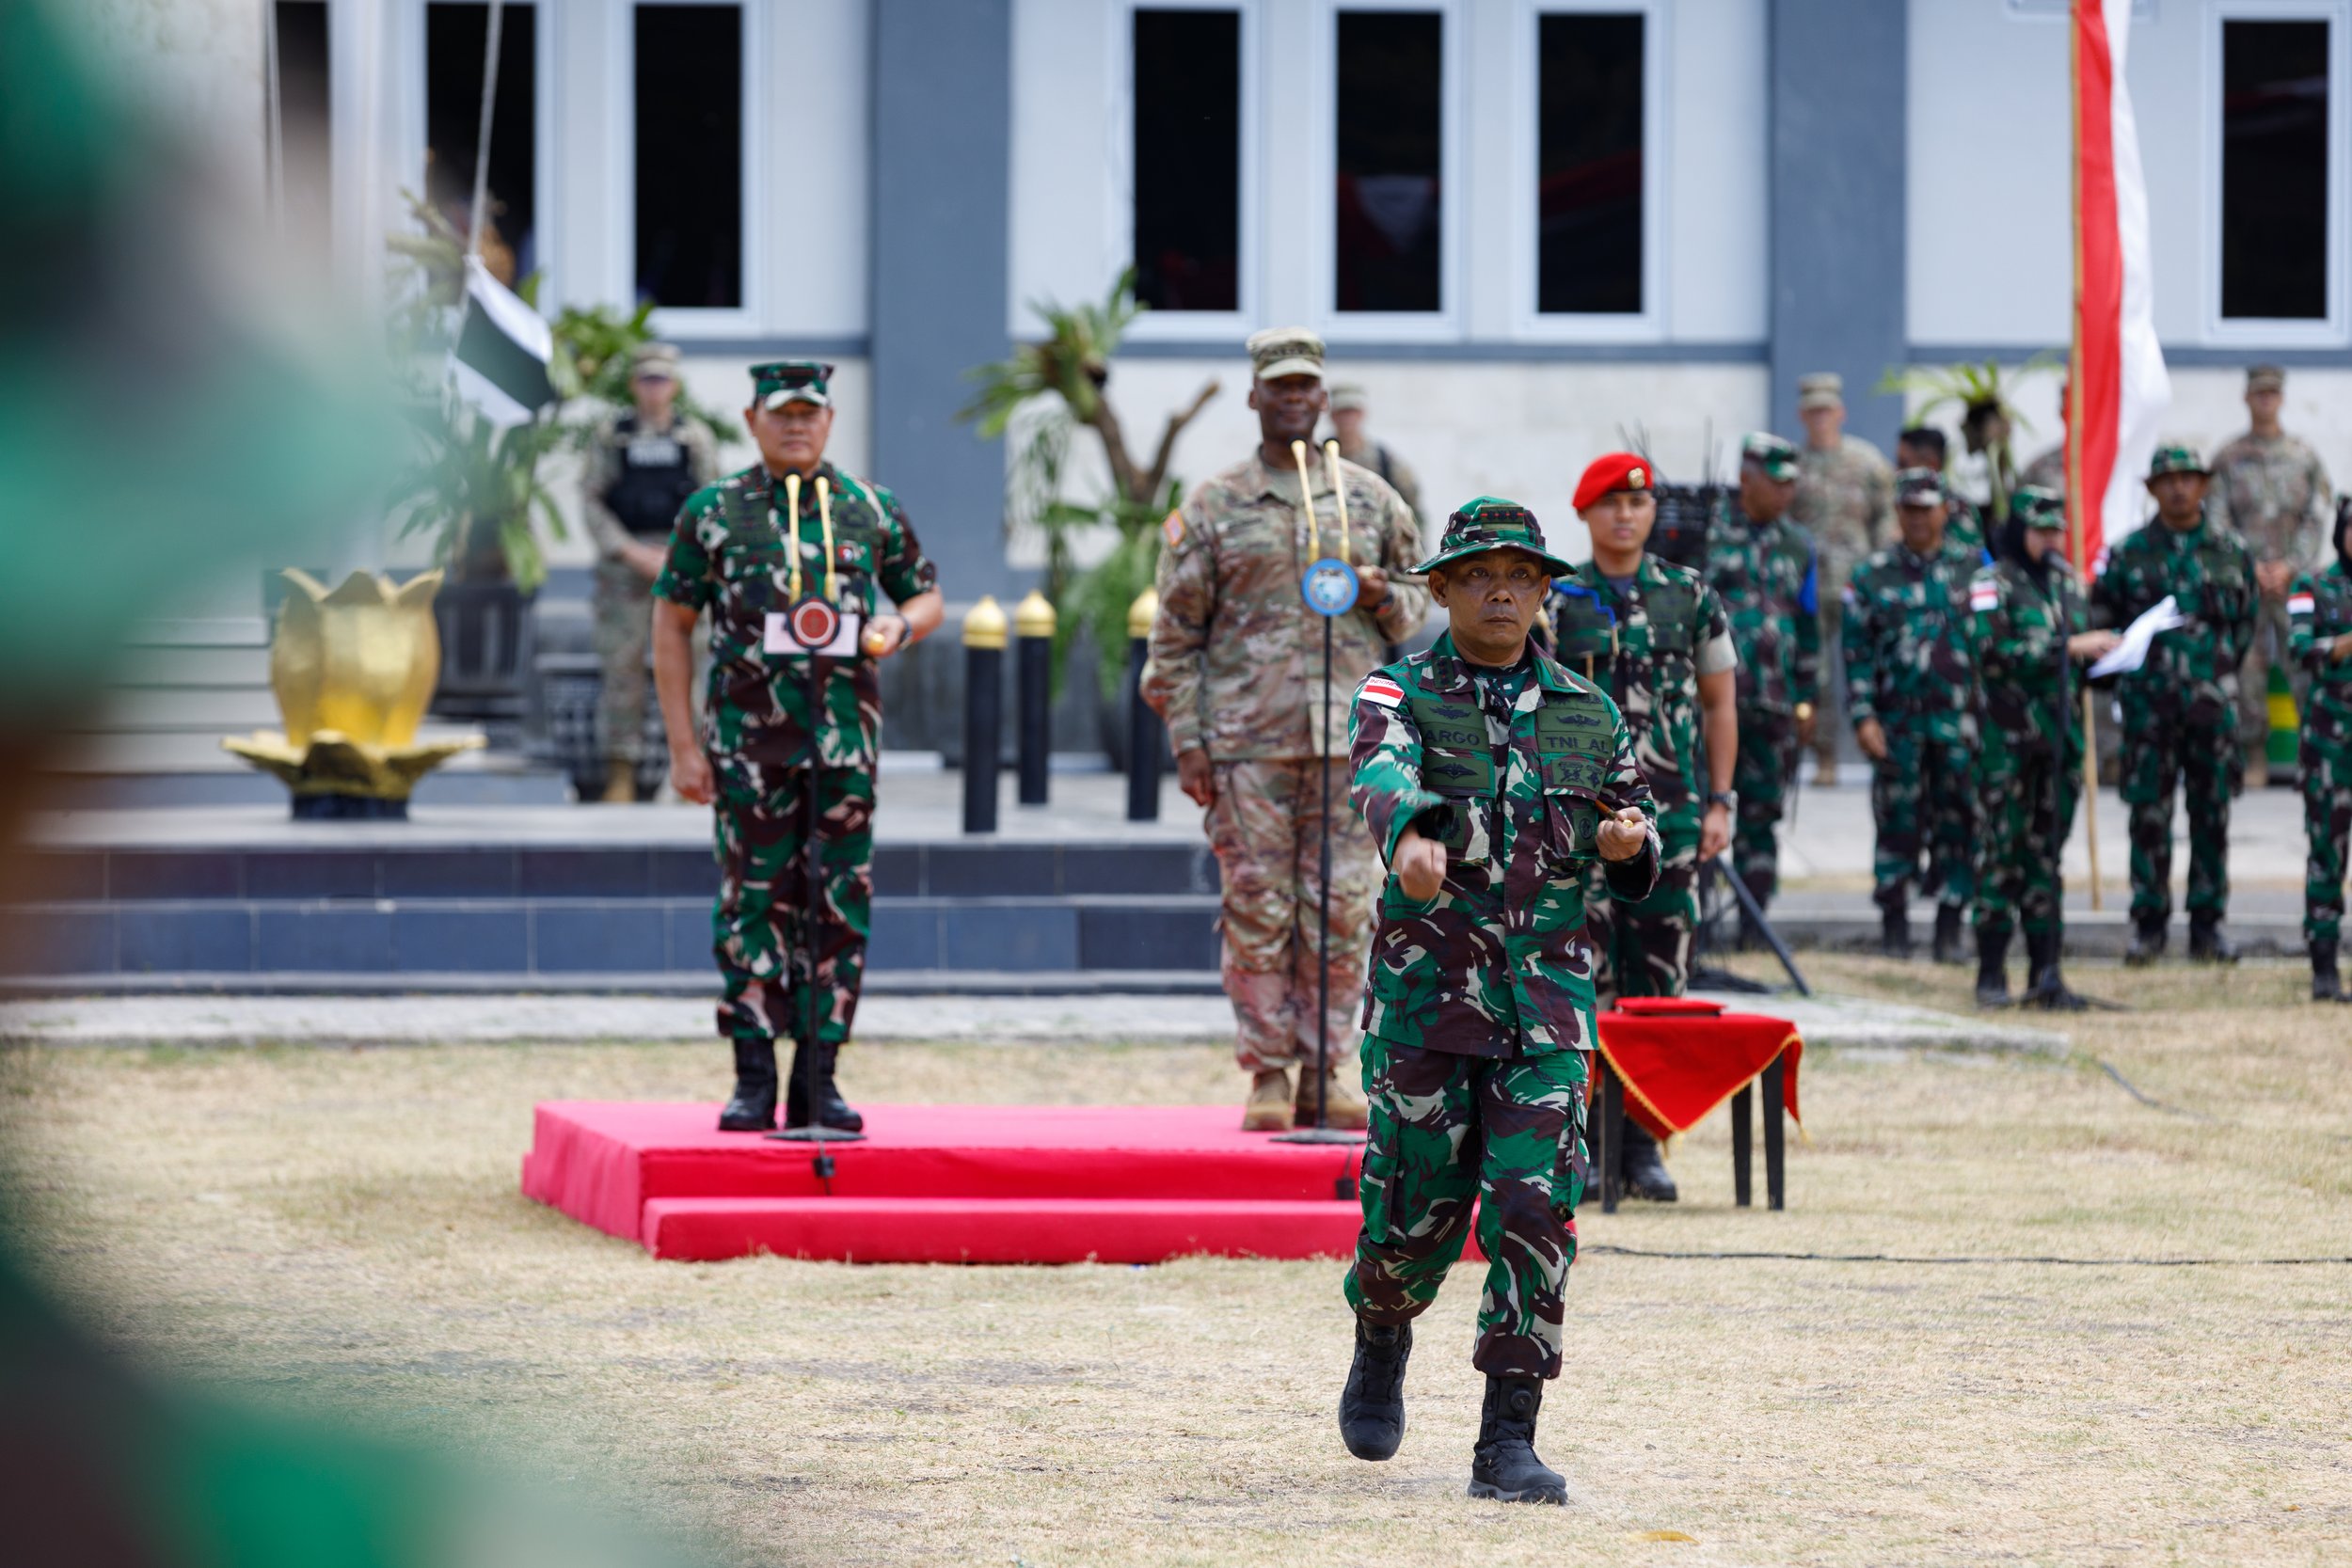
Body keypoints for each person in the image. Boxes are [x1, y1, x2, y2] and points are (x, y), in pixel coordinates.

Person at [1335, 498, 1659, 1507]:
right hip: (1429, 1007)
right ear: (1439, 586)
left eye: (1521, 573)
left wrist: (1625, 847)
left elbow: (1634, 826)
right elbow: (1384, 773)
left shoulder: (1586, 710)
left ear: (1545, 587)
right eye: (1478, 574)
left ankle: (1506, 1437)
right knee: (1410, 1224)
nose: (1503, 590)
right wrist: (1418, 837)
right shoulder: (1398, 690)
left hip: (1547, 1013)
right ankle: (1382, 1332)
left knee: (1534, 1210)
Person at [1145, 328, 1430, 1132]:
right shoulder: (1215, 505)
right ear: (1254, 397)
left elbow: (1417, 604)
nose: (1295, 399)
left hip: (1352, 742)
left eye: (1307, 386)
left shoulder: (1372, 500)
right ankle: (1269, 1071)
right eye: (1280, 387)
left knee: (1341, 909)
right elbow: (1174, 638)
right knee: (1259, 906)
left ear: (1323, 396)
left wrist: (1379, 591)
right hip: (1248, 745)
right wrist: (1190, 740)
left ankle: (1327, 1066)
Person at [651, 361, 945, 1132]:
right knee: (750, 901)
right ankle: (753, 1079)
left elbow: (924, 590)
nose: (796, 425)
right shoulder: (713, 512)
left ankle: (820, 1078)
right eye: (781, 412)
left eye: (810, 413)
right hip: (748, 747)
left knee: (836, 904)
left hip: (843, 744)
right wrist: (684, 747)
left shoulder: (868, 508)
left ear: (830, 419)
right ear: (751, 419)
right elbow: (671, 624)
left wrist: (899, 626)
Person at [1548, 452, 1737, 1202]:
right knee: (1581, 976)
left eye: (1639, 504)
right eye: (1611, 505)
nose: (1627, 516)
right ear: (1587, 514)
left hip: (1672, 815)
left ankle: (1647, 1144)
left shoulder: (1688, 595)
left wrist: (1720, 800)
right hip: (1577, 816)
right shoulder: (1556, 598)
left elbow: (1720, 702)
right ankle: (1585, 1144)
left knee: (1658, 978)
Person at [2091, 443, 2258, 966]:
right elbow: (2104, 623)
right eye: (2168, 480)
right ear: (2150, 489)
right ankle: (2149, 925)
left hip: (2210, 709)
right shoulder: (2128, 554)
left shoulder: (2230, 550)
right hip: (2149, 711)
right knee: (2149, 817)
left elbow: (2245, 624)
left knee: (2211, 816)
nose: (2179, 488)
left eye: (2189, 478)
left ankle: (2208, 926)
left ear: (2204, 485)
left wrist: (2215, 671)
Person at [1967, 486, 2120, 1007]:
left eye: (2058, 529)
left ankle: (2045, 970)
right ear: (2019, 530)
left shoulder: (2068, 584)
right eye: (2041, 530)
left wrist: (2109, 659)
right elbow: (1988, 650)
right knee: (2001, 855)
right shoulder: (1991, 583)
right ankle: (1990, 972)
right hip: (2005, 742)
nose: (2052, 539)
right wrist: (2066, 647)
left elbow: (2080, 658)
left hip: (2059, 742)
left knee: (2045, 856)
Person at [1843, 468, 1981, 962]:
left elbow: (1990, 646)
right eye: (1910, 509)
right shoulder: (1871, 575)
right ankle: (1895, 928)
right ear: (1898, 512)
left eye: (1927, 508)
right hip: (1896, 725)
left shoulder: (1975, 572)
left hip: (1959, 725)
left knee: (1958, 824)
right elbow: (1856, 653)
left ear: (1945, 510)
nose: (1919, 518)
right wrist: (1862, 716)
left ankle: (1949, 929)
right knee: (1898, 825)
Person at [580, 342, 720, 802]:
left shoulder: (694, 437)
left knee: (693, 669)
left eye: (662, 379)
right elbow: (592, 499)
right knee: (622, 671)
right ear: (634, 385)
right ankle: (621, 771)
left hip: (682, 568)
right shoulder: (610, 436)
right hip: (624, 569)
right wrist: (627, 550)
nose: (654, 388)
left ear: (674, 385)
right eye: (646, 379)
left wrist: (680, 555)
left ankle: (692, 772)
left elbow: (711, 504)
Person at [1705, 434, 1820, 942]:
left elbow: (1810, 623)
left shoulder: (1799, 544)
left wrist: (1807, 698)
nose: (1786, 493)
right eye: (1776, 483)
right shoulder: (1708, 534)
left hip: (1774, 702)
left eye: (1791, 484)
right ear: (1746, 480)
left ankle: (1754, 924)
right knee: (1701, 807)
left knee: (1760, 814)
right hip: (1710, 701)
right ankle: (1698, 919)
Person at [2208, 365, 2335, 789]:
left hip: (2293, 584)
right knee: (2247, 669)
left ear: (2281, 399)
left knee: (2303, 663)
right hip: (2246, 584)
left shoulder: (2302, 456)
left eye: (2272, 394)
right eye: (2258, 394)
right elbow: (2217, 519)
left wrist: (2291, 566)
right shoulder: (2228, 458)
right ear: (2247, 398)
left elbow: (2317, 518)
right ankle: (2254, 753)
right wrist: (2251, 567)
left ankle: (2311, 752)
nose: (2265, 400)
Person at [1791, 372, 1894, 787]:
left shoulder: (1867, 461)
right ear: (1803, 415)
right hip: (1812, 587)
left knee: (1864, 667)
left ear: (1840, 412)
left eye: (1827, 410)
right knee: (1817, 674)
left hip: (1857, 584)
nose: (1820, 418)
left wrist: (1882, 562)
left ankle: (1878, 747)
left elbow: (1887, 514)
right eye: (1813, 411)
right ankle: (1825, 755)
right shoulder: (1793, 467)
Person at [2287, 499, 2352, 1002]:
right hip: (2331, 742)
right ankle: (2324, 968)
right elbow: (2301, 647)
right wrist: (2345, 643)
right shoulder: (2313, 585)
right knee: (2327, 852)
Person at [1327, 382, 1423, 526]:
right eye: (1341, 413)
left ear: (1362, 414)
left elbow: (1412, 510)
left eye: (1352, 412)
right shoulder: (1319, 457)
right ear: (1332, 416)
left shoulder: (1385, 461)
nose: (1347, 419)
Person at [1896, 425, 1984, 553]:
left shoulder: (1958, 508)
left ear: (1931, 465)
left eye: (1903, 463)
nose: (1897, 470)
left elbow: (1969, 562)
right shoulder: (1896, 499)